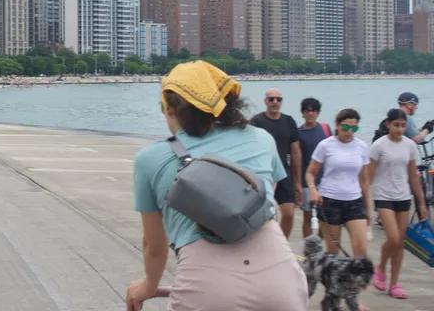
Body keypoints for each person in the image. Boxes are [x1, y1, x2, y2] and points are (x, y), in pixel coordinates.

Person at [127, 61, 307, 311]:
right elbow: (264, 200)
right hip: (282, 281)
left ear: (170, 109)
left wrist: (148, 287)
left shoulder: (149, 159)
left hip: (207, 289)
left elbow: (155, 247)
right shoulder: (262, 139)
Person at [369, 109, 428, 300]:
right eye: (396, 125)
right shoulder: (378, 145)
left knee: (400, 241)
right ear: (388, 124)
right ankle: (381, 267)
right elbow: (368, 175)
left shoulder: (409, 145)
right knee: (393, 237)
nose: (400, 129)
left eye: (403, 126)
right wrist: (363, 202)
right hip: (383, 195)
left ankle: (394, 284)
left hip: (403, 195)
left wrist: (421, 204)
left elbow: (413, 176)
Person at [307, 109, 371, 260]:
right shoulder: (325, 145)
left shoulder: (361, 146)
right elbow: (310, 172)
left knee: (361, 249)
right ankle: (335, 283)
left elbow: (364, 180)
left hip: (354, 200)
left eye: (353, 128)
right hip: (330, 200)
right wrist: (313, 190)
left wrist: (369, 208)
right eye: (345, 127)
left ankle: (358, 283)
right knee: (333, 253)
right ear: (337, 125)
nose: (349, 131)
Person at [249, 88, 303, 238]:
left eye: (278, 99)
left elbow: (295, 152)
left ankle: (281, 242)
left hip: (283, 173)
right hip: (263, 173)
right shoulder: (256, 122)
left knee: (289, 214)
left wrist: (297, 182)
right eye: (271, 99)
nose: (275, 102)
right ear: (265, 101)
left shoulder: (288, 121)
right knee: (264, 216)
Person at [298, 97, 331, 238]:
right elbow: (296, 159)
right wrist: (297, 184)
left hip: (325, 180)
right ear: (303, 113)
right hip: (307, 180)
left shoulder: (325, 128)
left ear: (318, 113)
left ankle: (318, 245)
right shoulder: (298, 133)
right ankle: (309, 249)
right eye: (307, 111)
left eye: (314, 111)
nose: (310, 114)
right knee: (308, 216)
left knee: (324, 217)